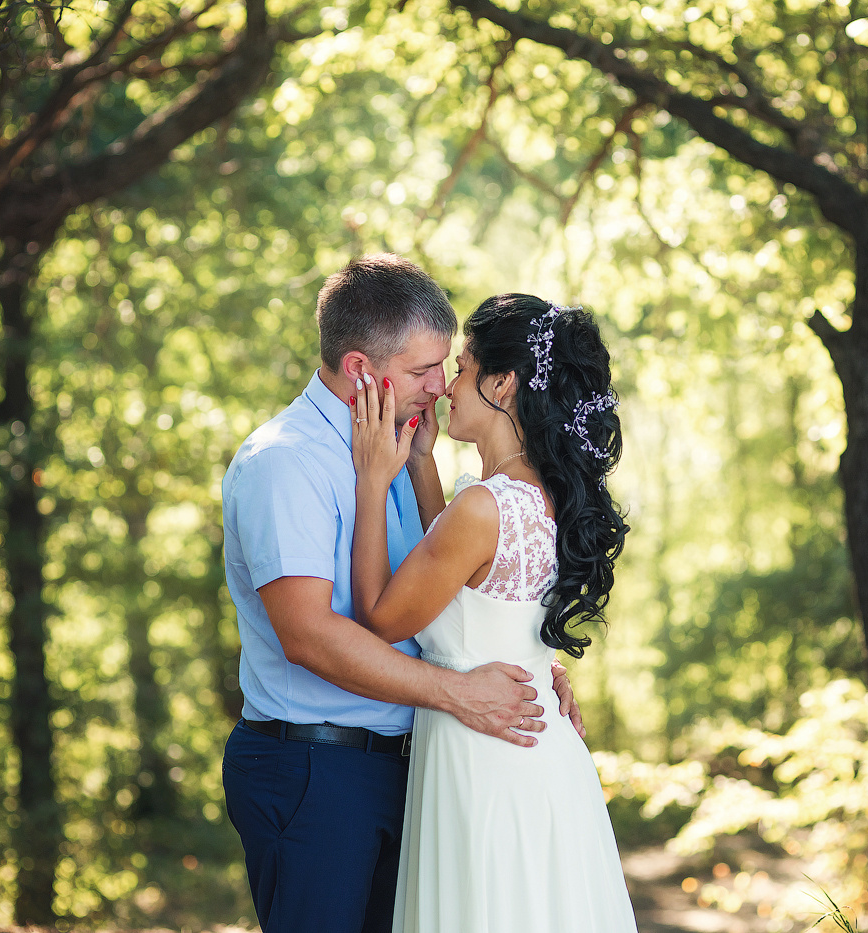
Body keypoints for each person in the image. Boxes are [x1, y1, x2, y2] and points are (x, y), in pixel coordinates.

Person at [219, 256, 584, 933]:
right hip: (315, 772)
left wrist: (526, 661)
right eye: (422, 371)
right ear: (360, 367)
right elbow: (309, 635)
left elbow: (443, 597)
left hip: (417, 767)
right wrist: (456, 690)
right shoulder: (285, 462)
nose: (441, 386)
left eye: (448, 365)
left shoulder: (402, 448)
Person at [350, 293, 638, 933]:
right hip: (540, 754)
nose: (449, 384)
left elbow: (379, 616)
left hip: (486, 761)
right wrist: (421, 464)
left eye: (466, 367)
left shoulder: (484, 507)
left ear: (504, 384)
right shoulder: (550, 495)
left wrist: (375, 480)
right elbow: (457, 583)